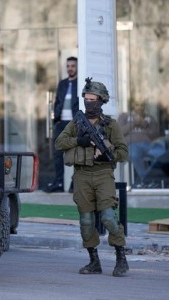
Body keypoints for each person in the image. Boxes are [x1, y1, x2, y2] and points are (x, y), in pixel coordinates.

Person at [55, 78, 129, 277]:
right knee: (86, 222)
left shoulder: (110, 125)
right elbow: (59, 143)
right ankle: (93, 261)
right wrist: (80, 140)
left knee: (108, 218)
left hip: (103, 173)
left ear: (101, 100)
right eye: (86, 99)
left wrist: (108, 152)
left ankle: (121, 257)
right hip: (82, 175)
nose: (89, 103)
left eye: (93, 99)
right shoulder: (77, 122)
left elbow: (124, 152)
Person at [44, 57, 79, 193]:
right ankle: (59, 182)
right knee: (58, 154)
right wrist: (55, 119)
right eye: (68, 66)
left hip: (74, 123)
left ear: (77, 67)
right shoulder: (63, 83)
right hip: (61, 123)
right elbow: (58, 101)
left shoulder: (80, 82)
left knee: (76, 153)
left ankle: (74, 183)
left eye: (73, 66)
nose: (70, 68)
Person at [117, 99, 161, 187]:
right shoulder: (124, 116)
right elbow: (119, 133)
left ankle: (155, 181)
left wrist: (144, 124)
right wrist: (133, 123)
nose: (140, 108)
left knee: (160, 154)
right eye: (137, 105)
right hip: (131, 145)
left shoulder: (150, 118)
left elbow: (156, 135)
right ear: (133, 105)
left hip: (148, 145)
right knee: (134, 154)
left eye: (142, 105)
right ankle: (146, 180)